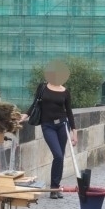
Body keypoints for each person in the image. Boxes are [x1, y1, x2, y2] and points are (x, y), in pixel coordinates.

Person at [26, 61, 77, 199]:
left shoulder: (65, 91)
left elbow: (69, 112)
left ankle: (55, 188)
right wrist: (25, 115)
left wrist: (74, 132)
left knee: (59, 157)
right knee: (58, 155)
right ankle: (54, 188)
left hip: (62, 125)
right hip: (47, 125)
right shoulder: (42, 87)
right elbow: (35, 103)